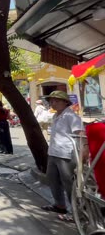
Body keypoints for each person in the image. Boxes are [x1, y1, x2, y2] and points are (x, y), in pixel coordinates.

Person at [40, 90, 83, 222]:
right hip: (53, 152)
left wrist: (84, 150)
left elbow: (80, 133)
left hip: (66, 154)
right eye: (52, 101)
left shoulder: (71, 116)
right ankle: (60, 205)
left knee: (69, 183)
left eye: (57, 101)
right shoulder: (55, 116)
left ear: (65, 102)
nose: (53, 103)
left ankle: (76, 212)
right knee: (52, 180)